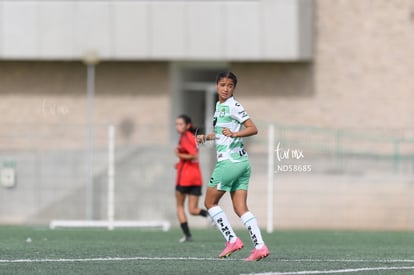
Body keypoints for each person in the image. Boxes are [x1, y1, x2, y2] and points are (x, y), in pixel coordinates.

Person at [197, 72, 270, 261]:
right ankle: (260, 247)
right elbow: (222, 132)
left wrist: (235, 135)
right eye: (222, 85)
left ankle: (232, 240)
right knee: (240, 208)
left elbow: (253, 128)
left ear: (234, 88)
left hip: (229, 163)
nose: (226, 88)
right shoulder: (219, 105)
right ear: (216, 86)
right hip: (241, 164)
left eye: (230, 85)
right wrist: (206, 137)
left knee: (209, 203)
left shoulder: (233, 106)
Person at [174, 114, 208, 243]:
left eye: (180, 124)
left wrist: (179, 155)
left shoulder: (185, 137)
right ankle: (210, 216)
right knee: (193, 210)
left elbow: (193, 155)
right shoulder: (191, 137)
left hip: (184, 178)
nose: (178, 126)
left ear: (188, 125)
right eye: (176, 124)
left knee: (179, 206)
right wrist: (179, 163)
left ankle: (187, 235)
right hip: (196, 177)